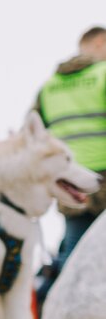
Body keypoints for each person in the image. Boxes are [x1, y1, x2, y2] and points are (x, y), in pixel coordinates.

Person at [36, 27, 106, 269]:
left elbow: (33, 134)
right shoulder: (103, 73)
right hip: (103, 176)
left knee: (74, 254)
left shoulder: (49, 86)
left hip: (71, 183)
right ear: (100, 43)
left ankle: (60, 303)